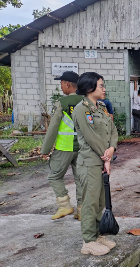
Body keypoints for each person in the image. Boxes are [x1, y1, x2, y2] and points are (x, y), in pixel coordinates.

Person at [73, 72, 118, 256]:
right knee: (90, 202)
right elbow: (91, 137)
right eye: (101, 85)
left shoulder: (100, 108)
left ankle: (98, 235)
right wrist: (106, 156)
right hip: (90, 163)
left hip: (101, 161)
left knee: (100, 200)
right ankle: (88, 241)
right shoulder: (81, 110)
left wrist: (112, 148)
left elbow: (113, 130)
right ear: (90, 88)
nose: (104, 88)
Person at [40, 71, 84, 220]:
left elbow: (53, 128)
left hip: (64, 148)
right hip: (83, 148)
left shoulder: (61, 103)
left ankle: (64, 205)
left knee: (54, 176)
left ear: (67, 84)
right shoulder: (87, 101)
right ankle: (82, 210)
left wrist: (45, 150)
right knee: (81, 179)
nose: (61, 87)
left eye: (61, 84)